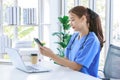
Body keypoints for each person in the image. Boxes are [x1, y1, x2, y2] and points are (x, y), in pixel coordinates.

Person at [38, 6, 104, 77]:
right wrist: (49, 54)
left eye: (72, 20)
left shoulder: (92, 40)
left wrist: (52, 55)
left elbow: (77, 67)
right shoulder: (75, 36)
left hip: (85, 77)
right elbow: (66, 60)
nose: (70, 23)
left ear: (83, 19)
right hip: (72, 75)